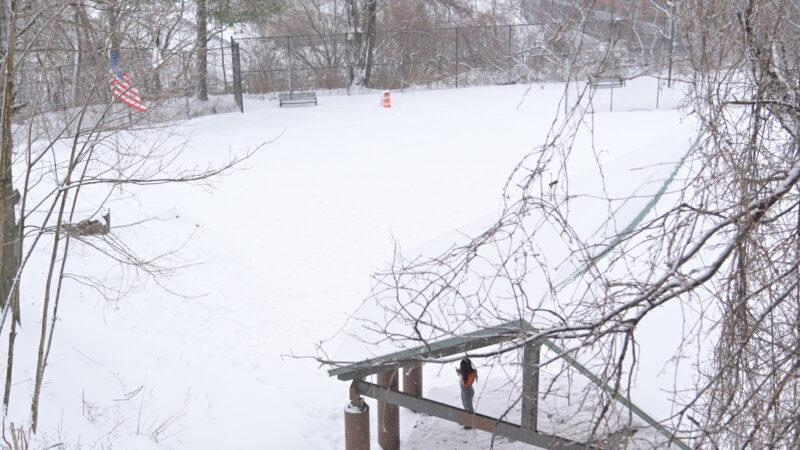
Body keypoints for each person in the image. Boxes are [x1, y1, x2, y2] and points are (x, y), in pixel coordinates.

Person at [456, 358, 477, 429]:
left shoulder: (471, 374)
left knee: (469, 408)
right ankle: (468, 420)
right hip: (464, 392)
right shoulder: (466, 372)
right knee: (465, 406)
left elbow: (465, 383)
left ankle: (471, 423)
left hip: (468, 392)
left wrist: (459, 375)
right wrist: (461, 372)